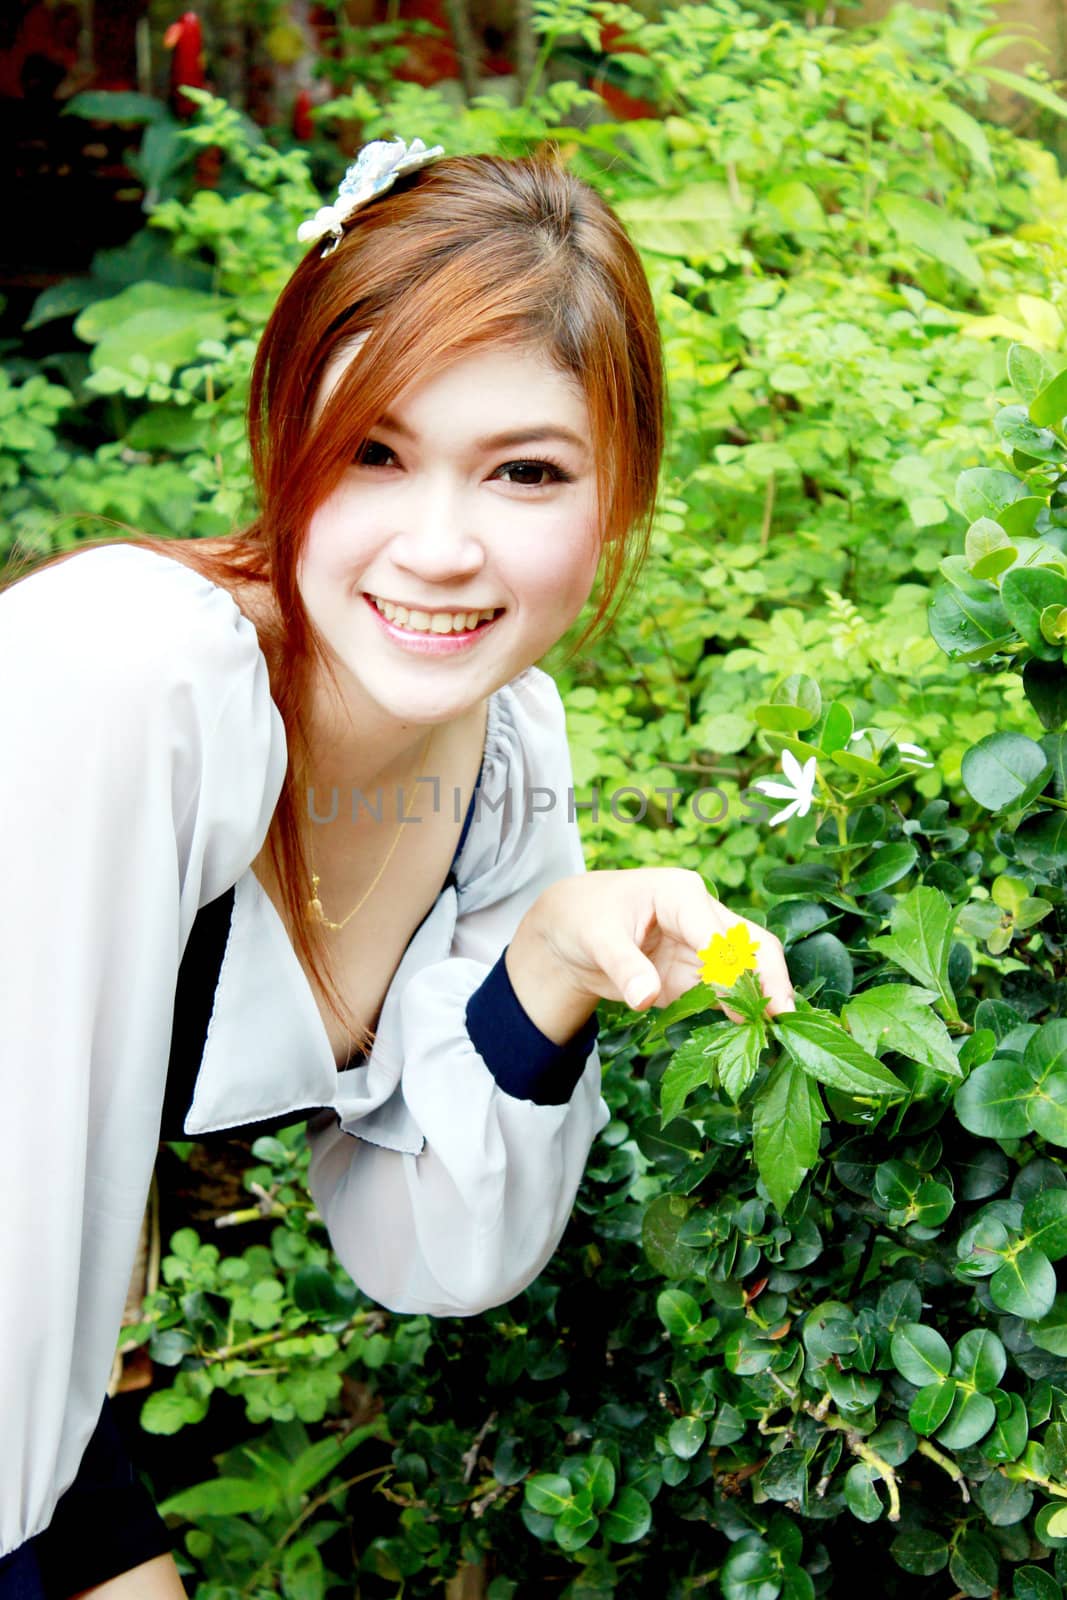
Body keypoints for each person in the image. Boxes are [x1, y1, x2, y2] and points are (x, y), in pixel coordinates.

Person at [0, 140, 794, 1597]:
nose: (439, 547)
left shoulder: (504, 760)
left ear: (618, 499)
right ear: (284, 439)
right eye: (374, 450)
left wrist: (547, 962)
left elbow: (428, 1245)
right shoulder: (127, 679)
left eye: (526, 472)